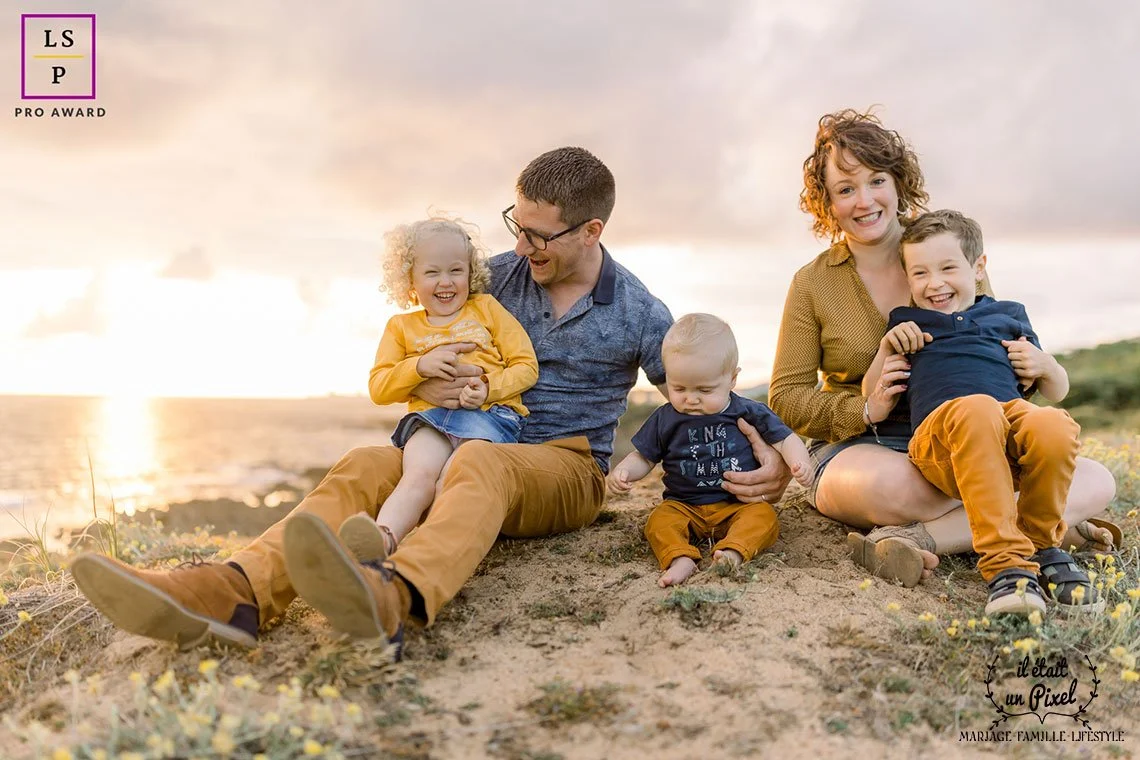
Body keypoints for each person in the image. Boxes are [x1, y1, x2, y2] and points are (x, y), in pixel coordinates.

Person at [68, 147, 793, 655]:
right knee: (366, 462)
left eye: (539, 235)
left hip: (563, 467)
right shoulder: (490, 280)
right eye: (516, 225)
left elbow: (705, 398)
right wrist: (429, 376)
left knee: (482, 461)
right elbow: (420, 346)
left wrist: (769, 459)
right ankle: (234, 592)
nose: (522, 245)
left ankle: (396, 595)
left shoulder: (638, 310)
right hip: (464, 440)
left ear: (591, 231)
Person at [768, 109, 1117, 588]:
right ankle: (1045, 524)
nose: (864, 201)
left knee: (1095, 478)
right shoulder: (812, 283)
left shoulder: (944, 250)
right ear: (827, 201)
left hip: (970, 435)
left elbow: (992, 357)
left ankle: (922, 539)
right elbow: (786, 397)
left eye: (876, 181)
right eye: (846, 189)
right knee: (909, 489)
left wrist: (1031, 371)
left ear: (898, 182)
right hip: (865, 447)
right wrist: (865, 409)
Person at [860, 210, 1100, 615]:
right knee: (978, 408)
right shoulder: (906, 323)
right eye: (920, 273)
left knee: (1052, 423)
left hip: (1008, 426)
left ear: (978, 267)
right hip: (943, 438)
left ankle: (1042, 545)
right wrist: (886, 350)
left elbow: (1056, 391)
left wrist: (1046, 365)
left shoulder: (1008, 315)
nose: (934, 283)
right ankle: (1006, 565)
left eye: (947, 268)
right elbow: (872, 394)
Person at [337, 216, 538, 562]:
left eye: (456, 270)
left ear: (471, 273)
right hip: (430, 421)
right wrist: (419, 367)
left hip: (490, 418)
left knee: (453, 479)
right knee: (417, 477)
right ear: (410, 281)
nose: (446, 282)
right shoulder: (401, 327)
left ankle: (423, 557)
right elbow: (379, 387)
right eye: (432, 273)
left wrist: (487, 387)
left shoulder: (486, 309)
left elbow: (526, 365)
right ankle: (383, 539)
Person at [609, 314, 812, 587]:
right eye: (678, 388)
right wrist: (625, 471)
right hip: (683, 505)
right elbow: (644, 457)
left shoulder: (748, 411)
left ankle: (732, 552)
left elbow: (785, 440)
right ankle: (680, 558)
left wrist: (799, 463)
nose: (691, 399)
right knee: (659, 521)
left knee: (763, 518)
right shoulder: (666, 418)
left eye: (704, 390)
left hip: (737, 505)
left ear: (732, 379)